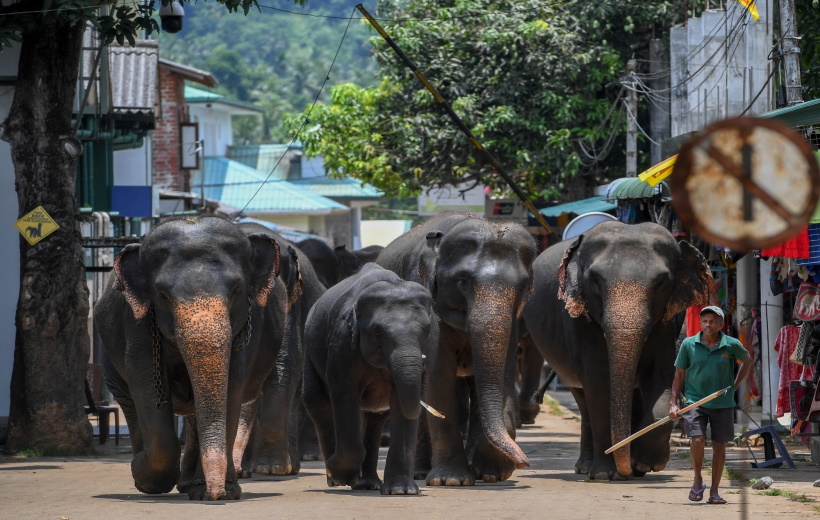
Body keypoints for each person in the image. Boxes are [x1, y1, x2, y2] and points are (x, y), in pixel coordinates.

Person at [669, 305, 751, 505]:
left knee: (719, 445)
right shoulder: (689, 344)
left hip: (722, 402)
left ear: (721, 324)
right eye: (705, 321)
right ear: (700, 322)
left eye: (713, 321)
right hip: (694, 401)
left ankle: (714, 491)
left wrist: (735, 384)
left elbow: (747, 361)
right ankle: (697, 479)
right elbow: (679, 374)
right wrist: (673, 403)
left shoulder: (730, 344)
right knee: (697, 439)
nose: (708, 324)